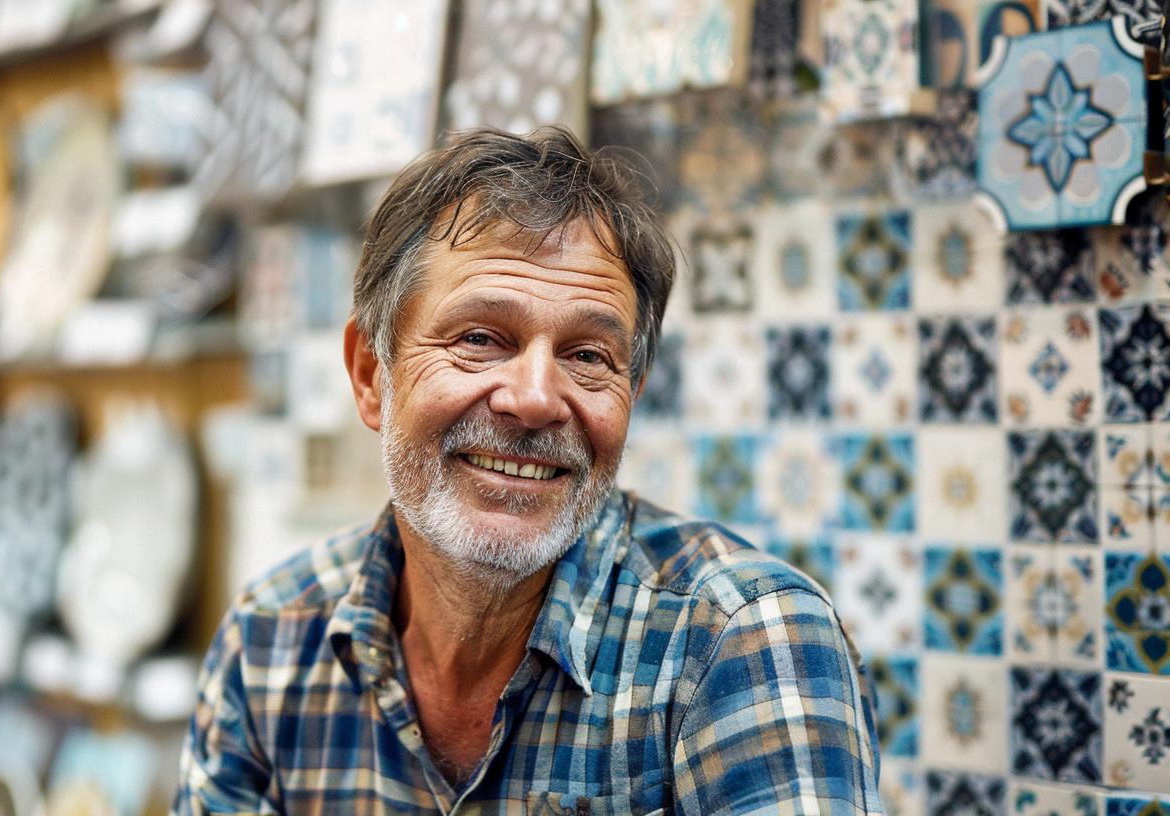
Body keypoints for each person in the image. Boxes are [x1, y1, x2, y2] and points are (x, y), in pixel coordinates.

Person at [172, 127, 883, 815]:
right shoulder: (269, 642)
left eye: (587, 356)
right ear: (369, 373)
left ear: (630, 395)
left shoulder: (743, 643)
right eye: (480, 339)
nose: (537, 399)